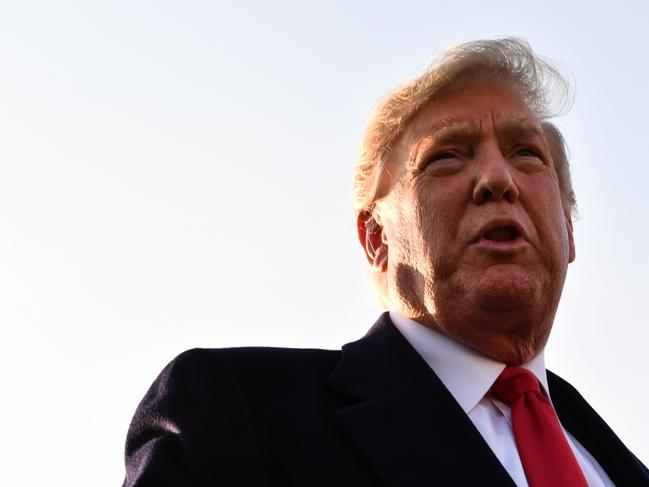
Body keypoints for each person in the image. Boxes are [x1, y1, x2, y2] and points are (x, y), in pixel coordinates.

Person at [122, 38, 649, 486]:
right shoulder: (237, 411)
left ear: (569, 229)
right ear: (376, 238)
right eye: (446, 156)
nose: (497, 179)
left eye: (526, 153)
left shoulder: (617, 463)